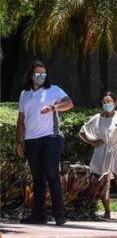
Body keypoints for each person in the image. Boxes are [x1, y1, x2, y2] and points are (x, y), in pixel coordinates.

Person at [16, 60, 74, 225]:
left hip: (50, 138)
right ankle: (39, 214)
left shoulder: (53, 90)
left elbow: (69, 103)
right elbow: (21, 120)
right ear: (31, 74)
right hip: (31, 141)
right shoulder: (24, 94)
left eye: (43, 74)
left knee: (52, 174)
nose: (40, 77)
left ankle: (59, 214)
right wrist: (19, 142)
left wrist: (54, 108)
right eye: (37, 74)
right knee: (37, 178)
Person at [79, 91, 117, 220]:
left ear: (115, 103)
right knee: (104, 183)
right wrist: (92, 141)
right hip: (103, 151)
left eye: (109, 102)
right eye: (104, 102)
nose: (107, 104)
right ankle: (107, 211)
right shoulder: (98, 118)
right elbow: (83, 130)